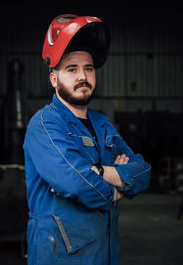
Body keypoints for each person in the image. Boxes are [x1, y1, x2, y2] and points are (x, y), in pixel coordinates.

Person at [23, 14, 151, 265]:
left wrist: (99, 171)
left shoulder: (103, 125)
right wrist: (118, 189)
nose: (83, 76)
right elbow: (77, 183)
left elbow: (142, 172)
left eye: (88, 68)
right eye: (72, 69)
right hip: (60, 256)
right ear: (53, 78)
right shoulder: (45, 125)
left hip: (105, 253)